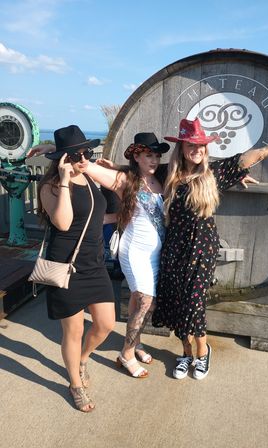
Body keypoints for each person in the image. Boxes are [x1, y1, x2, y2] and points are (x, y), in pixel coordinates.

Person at [151, 117, 268, 381]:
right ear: (182, 147)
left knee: (194, 304)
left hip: (201, 249)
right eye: (191, 145)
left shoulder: (215, 173)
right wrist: (107, 167)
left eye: (201, 145)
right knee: (177, 302)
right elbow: (134, 172)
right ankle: (186, 353)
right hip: (174, 248)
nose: (197, 149)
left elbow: (260, 153)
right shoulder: (169, 174)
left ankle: (202, 353)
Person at [30, 125, 116, 412]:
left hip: (94, 263)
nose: (82, 158)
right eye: (75, 155)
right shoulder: (50, 187)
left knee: (105, 324)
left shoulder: (90, 176)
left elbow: (103, 206)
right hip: (66, 264)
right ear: (62, 159)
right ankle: (75, 385)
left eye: (86, 152)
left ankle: (82, 360)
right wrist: (65, 180)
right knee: (74, 331)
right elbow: (64, 223)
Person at [86, 132, 170, 378]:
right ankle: (127, 353)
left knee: (138, 300)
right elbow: (88, 167)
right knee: (146, 302)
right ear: (137, 155)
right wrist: (54, 149)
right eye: (148, 155)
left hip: (155, 255)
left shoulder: (161, 179)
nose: (154, 160)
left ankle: (137, 343)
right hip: (134, 252)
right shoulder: (124, 180)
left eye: (156, 155)